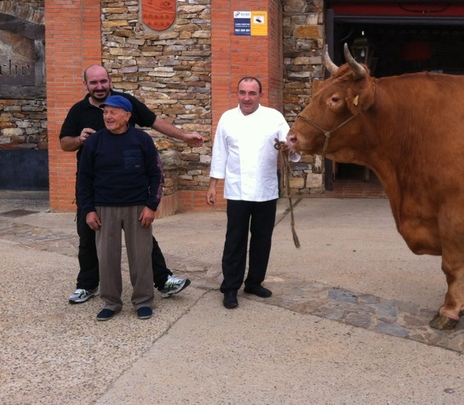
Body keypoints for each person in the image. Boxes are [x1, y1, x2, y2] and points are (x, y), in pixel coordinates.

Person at [60, 64, 204, 304]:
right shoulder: (78, 110)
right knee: (88, 237)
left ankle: (163, 280)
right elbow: (64, 143)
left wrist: (183, 136)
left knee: (144, 238)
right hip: (96, 189)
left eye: (103, 81)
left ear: (110, 80)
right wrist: (79, 139)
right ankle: (87, 285)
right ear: (85, 85)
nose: (99, 86)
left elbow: (154, 121)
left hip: (131, 189)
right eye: (93, 83)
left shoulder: (125, 102)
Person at [206, 76, 299, 309]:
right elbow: (220, 153)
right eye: (242, 92)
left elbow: (290, 144)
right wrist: (213, 185)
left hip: (266, 189)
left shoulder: (274, 117)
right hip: (237, 190)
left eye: (252, 93)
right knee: (235, 240)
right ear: (237, 93)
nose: (246, 98)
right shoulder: (227, 118)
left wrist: (290, 148)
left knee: (262, 239)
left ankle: (254, 282)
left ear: (260, 95)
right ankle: (230, 287)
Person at [77, 95, 162, 321]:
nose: (108, 116)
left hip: (137, 208)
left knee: (141, 257)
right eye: (105, 112)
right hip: (104, 209)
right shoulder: (95, 142)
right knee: (107, 258)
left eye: (114, 112)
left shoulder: (142, 140)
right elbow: (83, 179)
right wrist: (89, 210)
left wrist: (151, 205)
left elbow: (156, 175)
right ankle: (111, 302)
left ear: (127, 116)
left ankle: (143, 301)